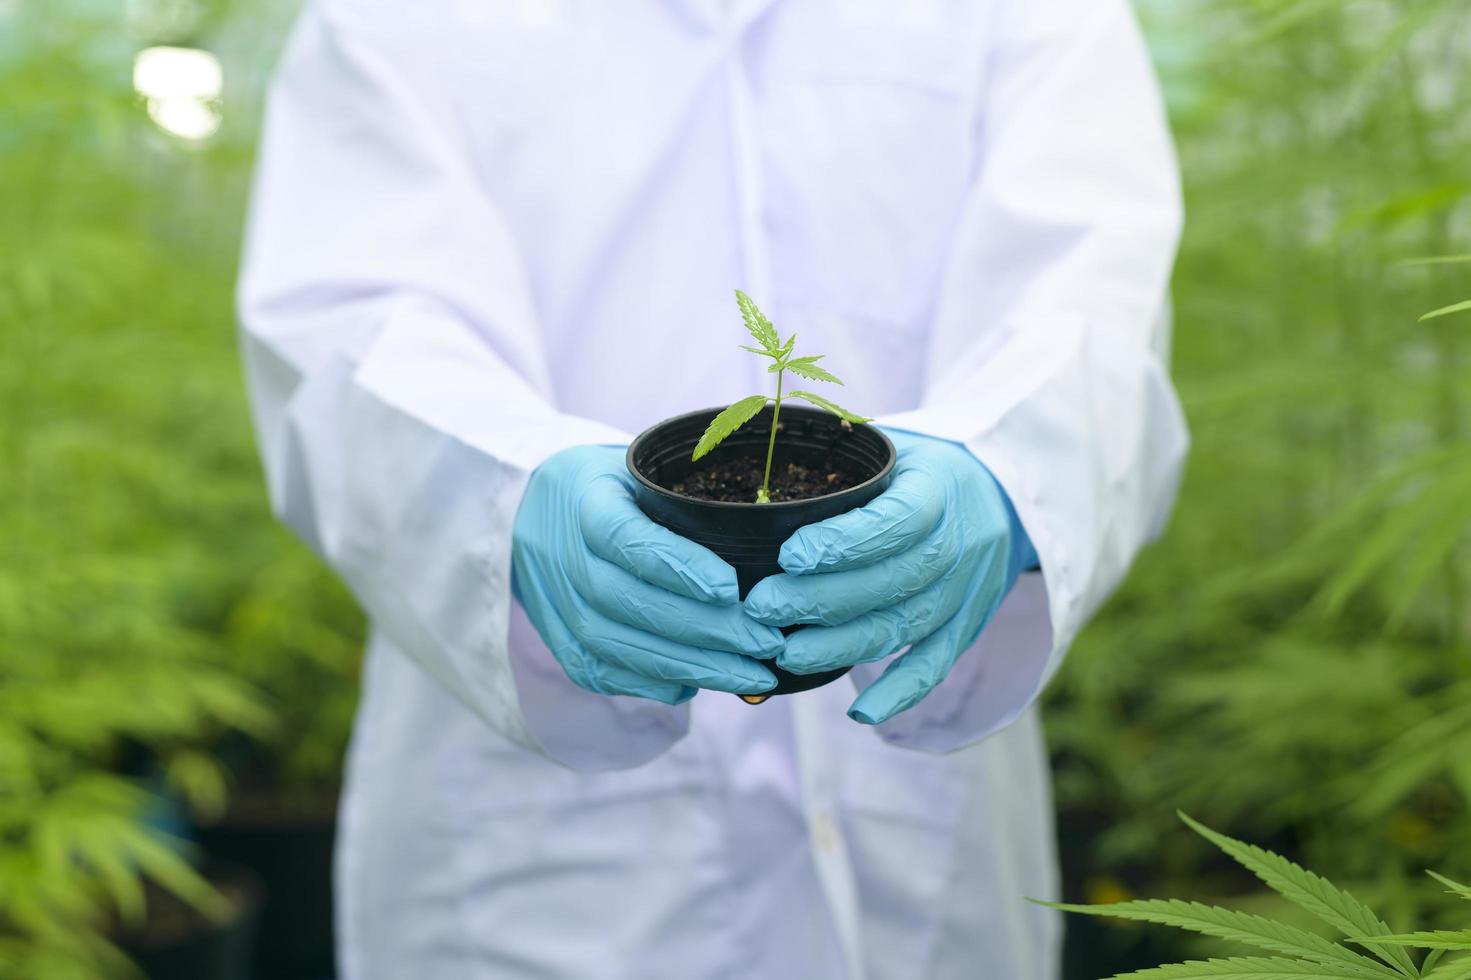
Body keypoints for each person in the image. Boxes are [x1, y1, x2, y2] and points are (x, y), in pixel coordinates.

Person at [238, 0, 1186, 976]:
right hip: (539, 869)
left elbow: (1089, 302)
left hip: (925, 845)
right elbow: (349, 332)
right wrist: (504, 494)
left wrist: (1002, 461)